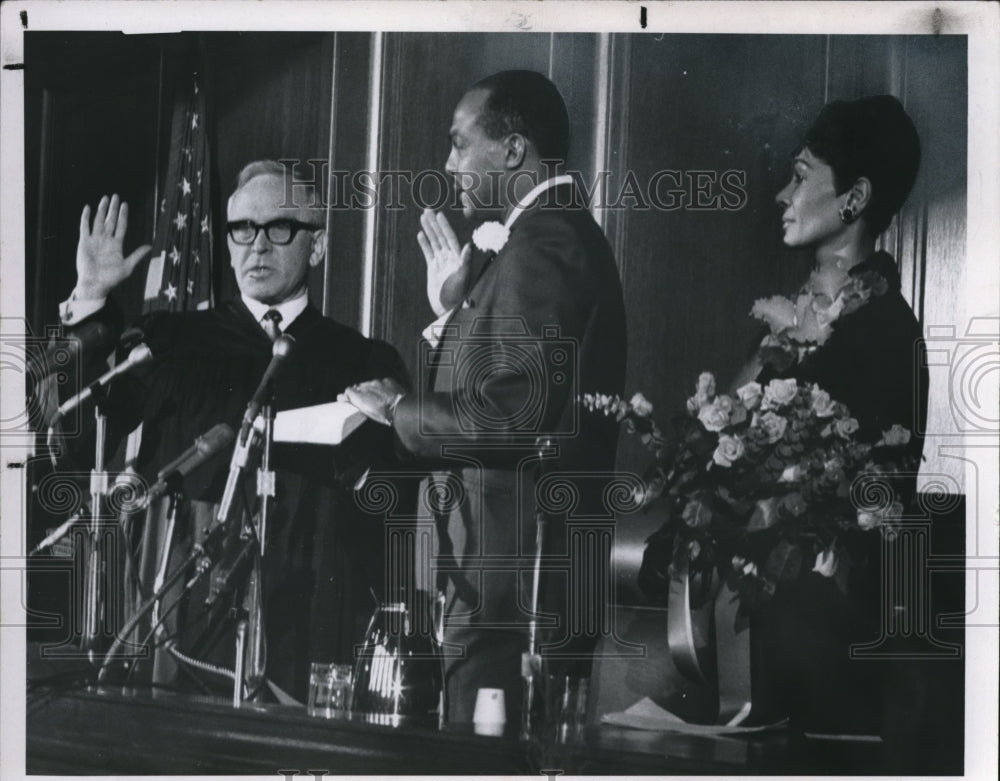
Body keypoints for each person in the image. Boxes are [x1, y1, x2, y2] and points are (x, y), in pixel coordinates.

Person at [53, 161, 409, 701]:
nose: (257, 246)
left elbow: (396, 505)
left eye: (279, 227)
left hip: (307, 628)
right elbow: (75, 442)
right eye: (242, 229)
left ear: (316, 246)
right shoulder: (170, 342)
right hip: (180, 626)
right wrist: (91, 300)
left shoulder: (362, 361)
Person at [346, 70, 628, 725]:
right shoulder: (540, 239)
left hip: (508, 577)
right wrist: (453, 311)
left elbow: (514, 413)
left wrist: (398, 409)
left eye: (458, 143)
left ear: (512, 149)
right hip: (498, 567)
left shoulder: (546, 241)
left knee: (482, 760)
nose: (448, 163)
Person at [750, 95, 928, 735]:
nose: (781, 194)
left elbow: (859, 508)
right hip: (778, 628)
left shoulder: (880, 329)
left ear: (853, 200)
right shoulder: (805, 318)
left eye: (799, 176)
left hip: (829, 648)